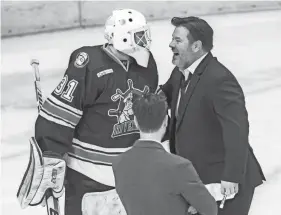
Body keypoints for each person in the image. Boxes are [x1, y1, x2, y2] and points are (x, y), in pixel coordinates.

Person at [18, 9, 159, 215]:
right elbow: (61, 113)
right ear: (122, 36)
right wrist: (51, 153)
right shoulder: (89, 63)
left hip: (130, 173)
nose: (145, 40)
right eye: (139, 35)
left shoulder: (147, 65)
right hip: (87, 174)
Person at [159, 16, 266, 215]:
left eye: (178, 40)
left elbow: (237, 131)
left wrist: (231, 177)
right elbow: (162, 96)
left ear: (196, 46)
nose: (170, 43)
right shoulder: (181, 71)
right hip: (199, 177)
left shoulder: (219, 79)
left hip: (225, 183)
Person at [112, 93, 218, 215]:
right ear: (166, 121)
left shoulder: (118, 163)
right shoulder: (180, 166)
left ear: (135, 121)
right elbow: (210, 209)